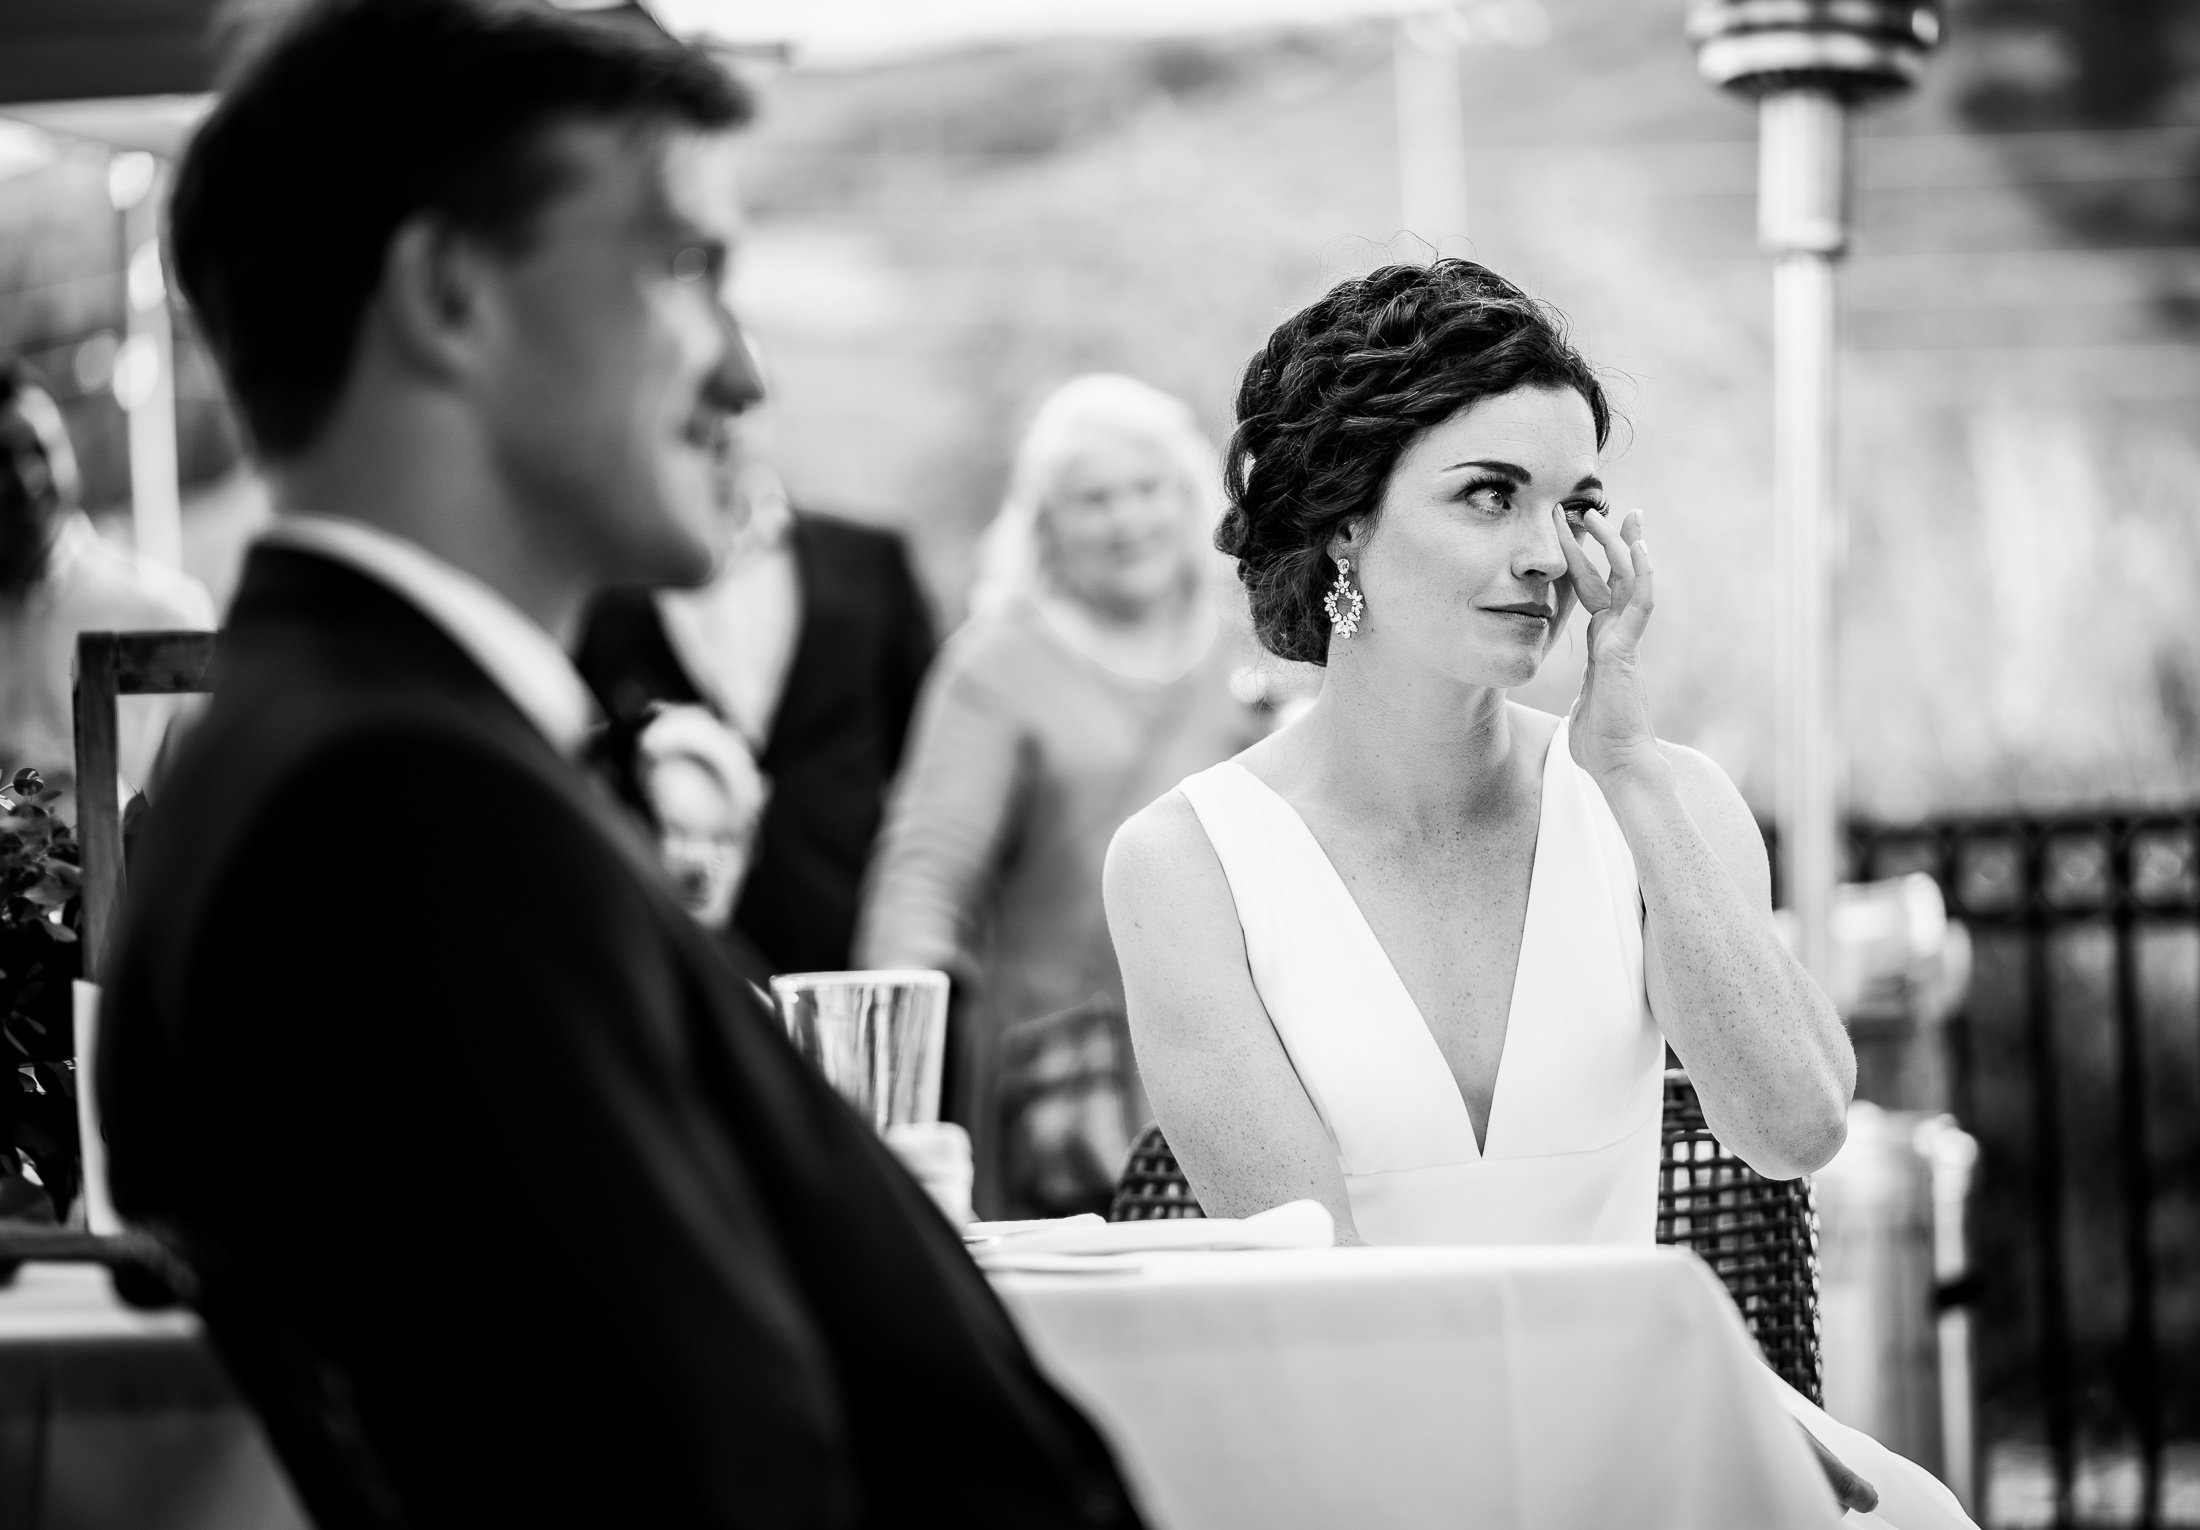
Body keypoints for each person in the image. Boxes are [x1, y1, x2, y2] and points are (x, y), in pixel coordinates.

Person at [97, 4, 1143, 1527]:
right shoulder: (395, 819)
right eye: (682, 268)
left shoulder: (373, 757)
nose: (744, 373)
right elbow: (705, 1477)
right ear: (452, 293)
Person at [1104, 259, 1981, 1526]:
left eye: (1573, 505)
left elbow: (1795, 1127)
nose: (1545, 557)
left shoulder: (1656, 803)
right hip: (1367, 1466)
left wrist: (1619, 759)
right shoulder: (1184, 867)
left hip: (1655, 1450)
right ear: (1345, 520)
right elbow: (1314, 1300)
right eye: (1487, 496)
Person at [857, 374, 1265, 1221]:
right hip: (1059, 1066)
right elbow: (929, 865)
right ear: (1047, 527)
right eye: (1094, 500)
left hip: (1238, 1042)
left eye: (1147, 489)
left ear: (1189, 496)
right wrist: (892, 1035)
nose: (1127, 520)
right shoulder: (996, 663)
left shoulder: (1260, 643)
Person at [576, 398, 935, 976]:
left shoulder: (872, 562)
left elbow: (926, 769)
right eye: (696, 407)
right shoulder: (609, 587)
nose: (719, 428)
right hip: (674, 950)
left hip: (852, 944)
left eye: (737, 406)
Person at [0, 360, 215, 818]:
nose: (25, 479)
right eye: (0, 459)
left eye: (38, 449)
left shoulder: (167, 614)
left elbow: (217, 810)